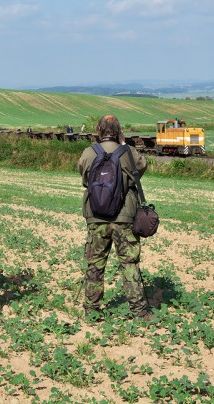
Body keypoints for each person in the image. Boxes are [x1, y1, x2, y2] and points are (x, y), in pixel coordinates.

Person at [78, 114, 152, 321]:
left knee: (95, 263)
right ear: (119, 131)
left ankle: (92, 311)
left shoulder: (88, 153)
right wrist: (124, 144)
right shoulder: (127, 152)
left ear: (98, 131)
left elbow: (84, 177)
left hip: (96, 216)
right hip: (124, 216)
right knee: (129, 263)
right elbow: (142, 167)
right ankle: (139, 311)